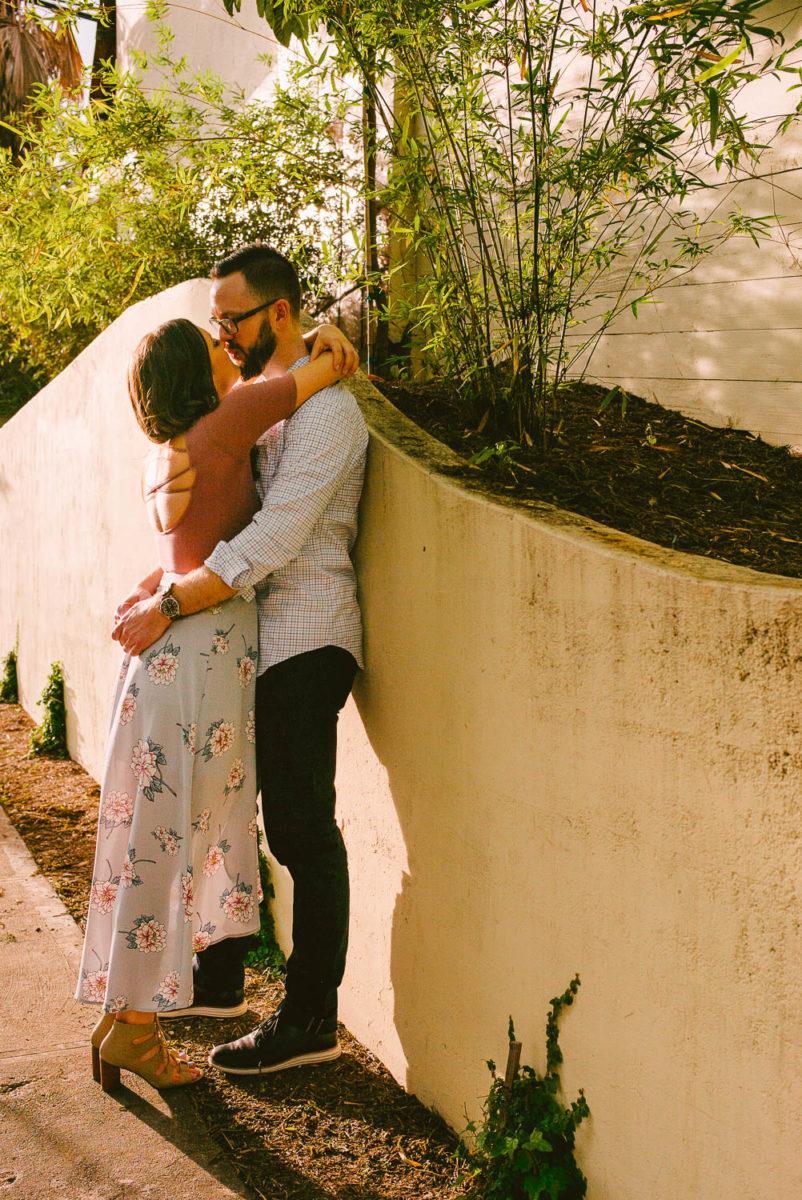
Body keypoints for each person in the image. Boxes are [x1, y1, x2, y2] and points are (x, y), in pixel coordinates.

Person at [112, 244, 369, 1077]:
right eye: (214, 323)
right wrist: (171, 576)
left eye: (233, 319)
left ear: (280, 313)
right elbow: (223, 516)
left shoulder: (330, 414)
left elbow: (276, 536)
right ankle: (219, 978)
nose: (221, 335)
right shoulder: (272, 401)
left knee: (300, 828)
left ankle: (308, 1021)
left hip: (305, 637)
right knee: (228, 816)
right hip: (248, 639)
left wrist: (174, 601)